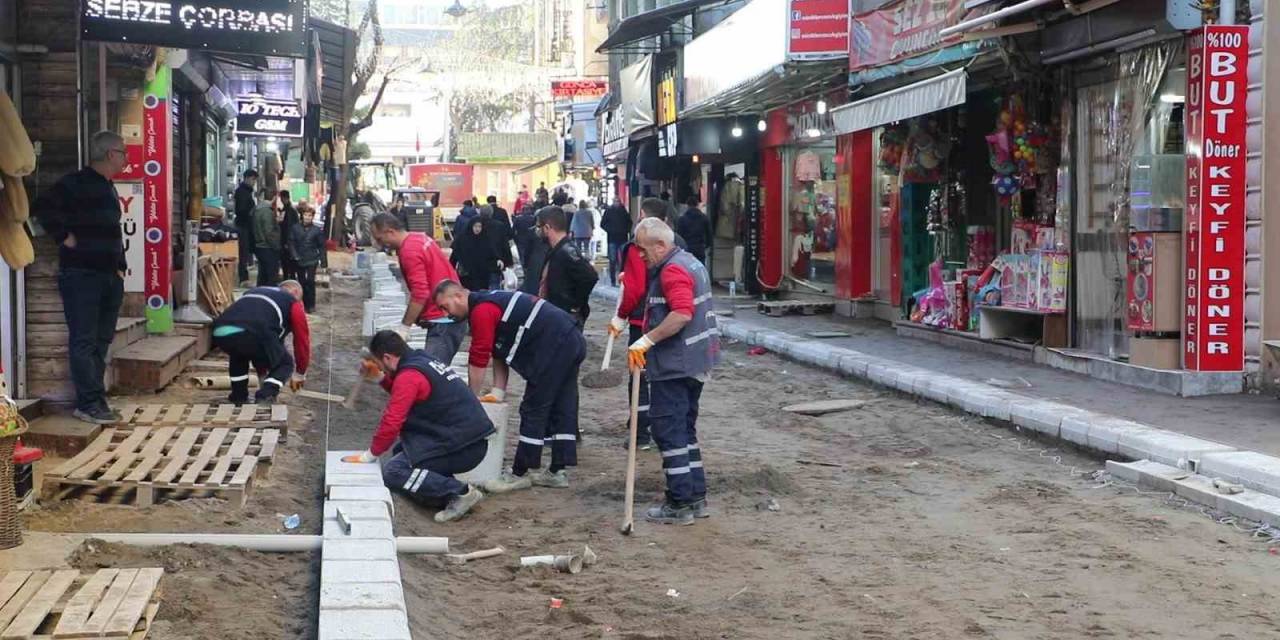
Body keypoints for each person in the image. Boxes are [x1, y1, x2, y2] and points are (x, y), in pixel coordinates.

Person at [433, 280, 585, 492]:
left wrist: (470, 400)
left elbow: (479, 355)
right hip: (570, 337)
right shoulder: (490, 301)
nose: (446, 313)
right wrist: (497, 391)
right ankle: (557, 471)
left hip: (554, 344)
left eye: (444, 307)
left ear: (457, 296)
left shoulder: (482, 310)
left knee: (534, 408)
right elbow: (499, 352)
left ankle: (519, 473)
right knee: (562, 404)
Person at [342, 330, 492, 523]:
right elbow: (407, 392)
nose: (382, 369)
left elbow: (392, 421)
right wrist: (380, 378)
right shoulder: (420, 359)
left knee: (394, 472)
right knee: (402, 450)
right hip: (464, 437)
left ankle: (461, 493)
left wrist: (369, 455)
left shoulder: (409, 376)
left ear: (387, 357)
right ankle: (441, 492)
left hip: (464, 446)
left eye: (380, 365)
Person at [627, 217, 720, 525]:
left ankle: (680, 503)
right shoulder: (690, 262)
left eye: (643, 250)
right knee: (685, 430)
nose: (640, 256)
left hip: (674, 365)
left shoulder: (672, 270)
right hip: (695, 362)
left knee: (669, 432)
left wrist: (645, 340)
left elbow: (681, 313)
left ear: (661, 245)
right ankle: (695, 497)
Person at [33, 130, 129, 425]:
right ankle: (87, 403)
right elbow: (41, 207)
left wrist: (120, 265)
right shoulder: (75, 183)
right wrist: (65, 237)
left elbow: (113, 230)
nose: (126, 158)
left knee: (102, 339)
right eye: (123, 152)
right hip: (81, 275)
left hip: (108, 275)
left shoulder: (108, 187)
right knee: (85, 340)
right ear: (110, 154)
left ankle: (97, 398)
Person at [607, 197, 684, 450]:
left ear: (643, 215)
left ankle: (640, 433)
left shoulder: (637, 247)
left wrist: (621, 316)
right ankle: (666, 431)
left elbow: (635, 287)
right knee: (664, 377)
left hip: (644, 322)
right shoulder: (677, 245)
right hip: (670, 323)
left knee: (639, 378)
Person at [370, 213, 466, 363]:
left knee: (432, 372)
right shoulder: (419, 237)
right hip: (450, 312)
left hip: (443, 319)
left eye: (380, 239)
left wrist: (404, 327)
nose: (380, 244)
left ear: (390, 232)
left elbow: (420, 293)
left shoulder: (409, 251)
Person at [211, 280, 311, 405]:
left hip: (220, 332)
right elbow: (302, 340)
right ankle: (266, 395)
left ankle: (238, 396)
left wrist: (263, 374)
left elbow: (266, 346)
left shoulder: (254, 293)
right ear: (296, 292)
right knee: (285, 363)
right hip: (254, 333)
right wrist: (300, 373)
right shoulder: (292, 303)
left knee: (239, 353)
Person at [536, 206, 598, 326]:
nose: (538, 231)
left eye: (539, 227)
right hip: (554, 312)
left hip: (565, 317)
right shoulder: (554, 250)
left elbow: (590, 277)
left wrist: (575, 305)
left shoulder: (567, 251)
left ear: (547, 228)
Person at [288, 202, 326, 313]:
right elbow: (291, 242)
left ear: (312, 217)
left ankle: (311, 304)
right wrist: (294, 255)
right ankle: (303, 303)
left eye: (310, 216)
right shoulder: (295, 228)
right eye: (305, 215)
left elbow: (322, 246)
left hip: (312, 259)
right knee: (301, 282)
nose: (307, 218)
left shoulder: (316, 230)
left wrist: (323, 262)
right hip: (299, 258)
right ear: (302, 215)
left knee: (310, 281)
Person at [449, 214, 501, 291]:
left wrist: (498, 260)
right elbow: (455, 256)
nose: (477, 229)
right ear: (471, 226)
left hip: (482, 275)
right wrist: (450, 271)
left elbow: (492, 253)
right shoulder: (462, 239)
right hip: (466, 275)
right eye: (475, 226)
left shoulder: (485, 239)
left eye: (479, 226)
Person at [233, 169, 258, 285]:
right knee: (243, 252)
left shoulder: (246, 192)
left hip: (246, 226)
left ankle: (244, 277)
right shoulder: (242, 192)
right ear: (247, 178)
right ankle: (243, 278)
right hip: (243, 226)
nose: (254, 182)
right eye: (253, 179)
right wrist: (251, 212)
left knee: (245, 252)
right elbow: (241, 210)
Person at [252, 194, 283, 286]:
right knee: (271, 276)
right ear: (274, 198)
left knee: (262, 275)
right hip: (268, 247)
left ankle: (260, 296)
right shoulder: (267, 212)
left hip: (259, 245)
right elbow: (269, 231)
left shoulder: (257, 210)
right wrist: (277, 246)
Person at [600, 198, 631, 286]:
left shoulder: (623, 211)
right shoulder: (609, 211)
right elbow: (603, 224)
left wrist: (626, 230)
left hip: (622, 238)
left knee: (623, 261)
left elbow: (629, 222)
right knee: (613, 260)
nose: (616, 203)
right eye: (615, 201)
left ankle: (621, 279)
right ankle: (613, 280)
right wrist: (610, 230)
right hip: (613, 238)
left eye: (617, 201)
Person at [676, 195, 712, 264]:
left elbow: (679, 235)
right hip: (699, 248)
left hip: (686, 249)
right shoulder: (704, 218)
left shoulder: (682, 219)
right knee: (700, 269)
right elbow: (709, 235)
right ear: (697, 205)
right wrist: (706, 245)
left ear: (687, 206)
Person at [278, 190, 299, 281]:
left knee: (288, 261)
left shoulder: (289, 210)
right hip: (287, 240)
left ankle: (289, 278)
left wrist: (287, 241)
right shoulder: (287, 209)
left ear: (284, 198)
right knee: (287, 261)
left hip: (287, 240)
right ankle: (289, 277)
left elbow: (288, 227)